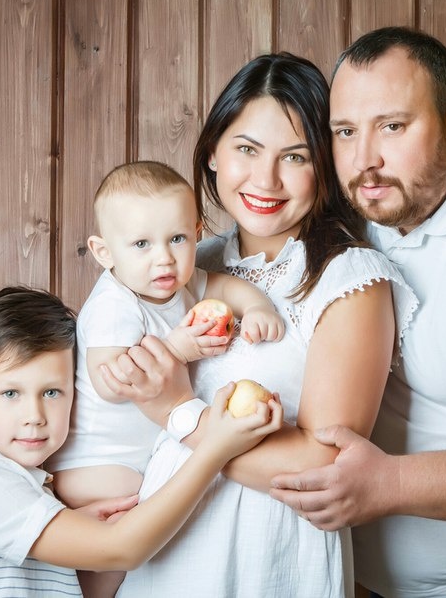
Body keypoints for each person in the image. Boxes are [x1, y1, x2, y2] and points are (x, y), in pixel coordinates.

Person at [102, 52, 417, 597]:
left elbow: (325, 466)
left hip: (268, 556)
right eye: (247, 149)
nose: (266, 179)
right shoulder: (182, 264)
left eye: (295, 156)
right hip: (163, 547)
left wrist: (177, 413)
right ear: (213, 152)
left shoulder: (349, 279)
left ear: (325, 166)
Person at [269, 27, 446, 597]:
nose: (365, 160)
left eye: (393, 127)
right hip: (349, 580)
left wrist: (390, 485)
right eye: (345, 131)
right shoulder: (361, 201)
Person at [0, 286, 283, 597]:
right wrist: (213, 450)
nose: (34, 415)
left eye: (52, 392)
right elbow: (121, 550)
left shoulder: (27, 487)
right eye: (10, 394)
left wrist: (83, 532)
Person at [45, 160, 284, 596]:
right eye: (141, 244)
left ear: (196, 233)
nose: (164, 258)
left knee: (128, 562)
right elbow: (112, 382)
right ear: (104, 252)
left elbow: (226, 287)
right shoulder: (115, 305)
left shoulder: (180, 284)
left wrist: (257, 307)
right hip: (96, 465)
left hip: (132, 460)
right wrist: (177, 349)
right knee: (119, 545)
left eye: (177, 239)